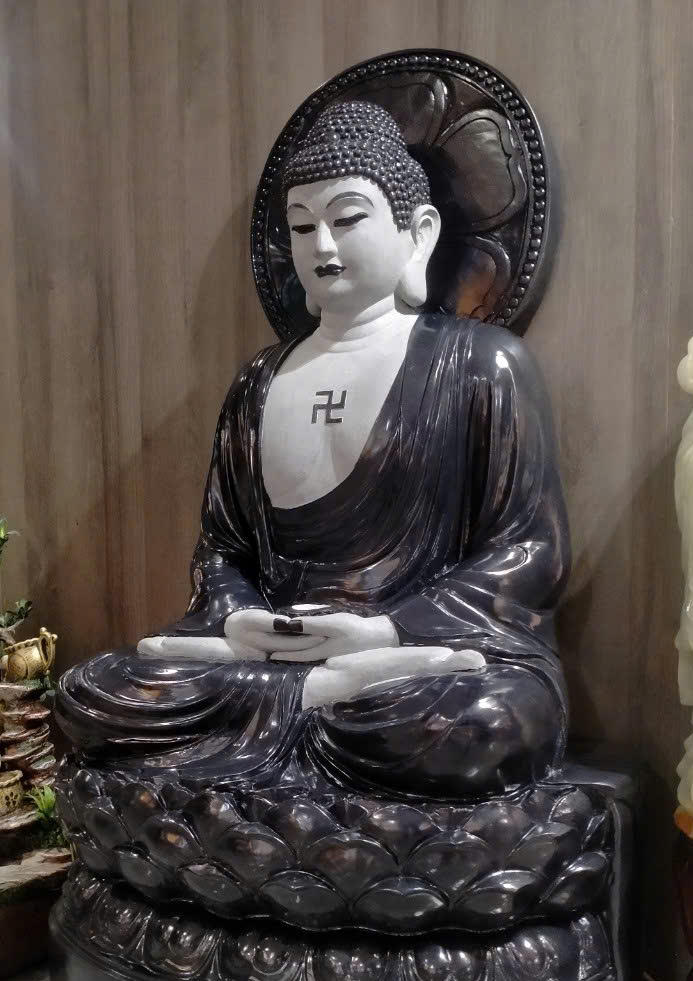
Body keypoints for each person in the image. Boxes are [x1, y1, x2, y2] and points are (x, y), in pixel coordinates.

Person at [56, 101, 570, 800]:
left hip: (414, 662)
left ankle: (310, 706)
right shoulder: (258, 383)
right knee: (94, 691)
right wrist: (240, 619)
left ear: (418, 233)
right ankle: (309, 700)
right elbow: (222, 548)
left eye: (348, 218)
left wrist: (387, 630)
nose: (322, 245)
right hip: (270, 656)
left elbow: (531, 552)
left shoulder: (481, 364)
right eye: (302, 227)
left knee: (483, 721)